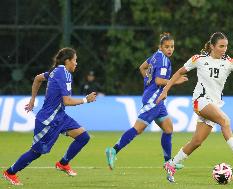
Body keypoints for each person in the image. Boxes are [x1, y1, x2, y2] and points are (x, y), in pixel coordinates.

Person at [156, 32, 233, 183]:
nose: (224, 49)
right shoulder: (199, 59)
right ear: (212, 46)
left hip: (213, 104)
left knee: (197, 142)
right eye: (221, 46)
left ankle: (171, 164)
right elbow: (179, 72)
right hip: (200, 101)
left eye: (226, 46)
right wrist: (165, 90)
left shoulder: (229, 62)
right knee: (225, 120)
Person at [2, 47, 97, 185]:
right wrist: (85, 100)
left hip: (60, 116)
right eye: (75, 60)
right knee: (36, 152)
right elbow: (67, 101)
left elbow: (38, 78)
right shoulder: (63, 73)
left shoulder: (56, 71)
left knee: (83, 137)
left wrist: (32, 100)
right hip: (48, 120)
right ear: (67, 61)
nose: (76, 63)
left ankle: (63, 163)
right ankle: (10, 172)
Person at [105, 32, 188, 170]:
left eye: (172, 46)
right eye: (167, 46)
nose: (170, 49)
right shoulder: (163, 60)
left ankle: (168, 163)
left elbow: (142, 67)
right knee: (138, 129)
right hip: (153, 99)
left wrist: (148, 83)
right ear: (160, 47)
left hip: (156, 98)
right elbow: (159, 80)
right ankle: (114, 150)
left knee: (168, 129)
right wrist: (176, 81)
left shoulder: (155, 56)